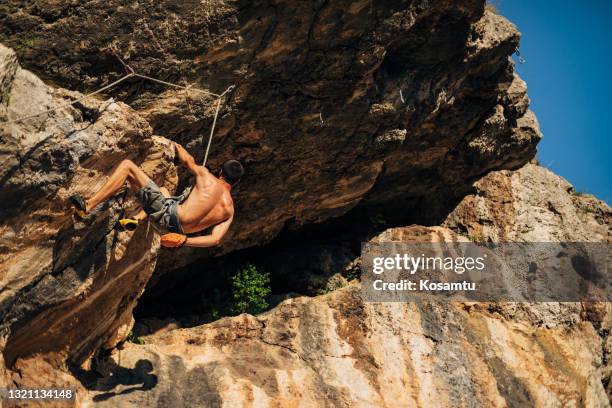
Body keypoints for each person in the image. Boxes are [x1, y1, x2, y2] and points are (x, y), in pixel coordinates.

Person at [69, 142, 243, 248]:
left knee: (127, 166)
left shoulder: (207, 177)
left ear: (220, 171)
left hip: (167, 215)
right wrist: (183, 240)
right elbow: (215, 239)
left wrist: (177, 147)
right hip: (170, 232)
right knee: (164, 192)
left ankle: (88, 206)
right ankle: (137, 219)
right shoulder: (229, 210)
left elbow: (188, 161)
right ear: (235, 183)